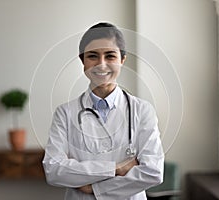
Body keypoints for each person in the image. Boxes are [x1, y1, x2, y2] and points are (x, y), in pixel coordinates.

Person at [42, 22, 164, 200]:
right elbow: (53, 170)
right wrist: (116, 168)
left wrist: (95, 189)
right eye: (92, 56)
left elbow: (153, 172)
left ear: (122, 60)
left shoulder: (142, 110)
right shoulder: (65, 113)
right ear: (82, 60)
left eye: (110, 56)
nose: (101, 64)